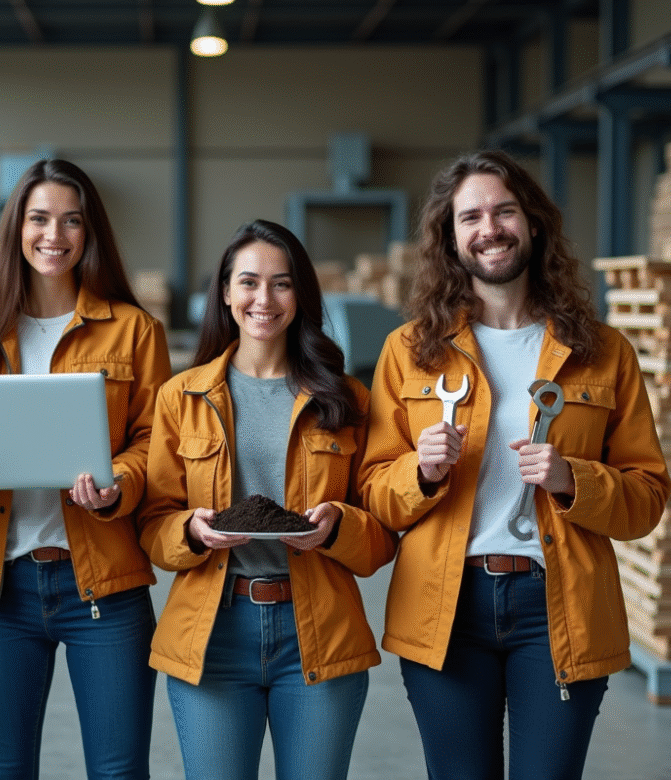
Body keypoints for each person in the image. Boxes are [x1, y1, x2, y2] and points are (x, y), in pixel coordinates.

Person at [358, 150, 671, 780]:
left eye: (504, 210)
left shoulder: (602, 352)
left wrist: (572, 479)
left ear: (532, 222)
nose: (489, 228)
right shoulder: (409, 353)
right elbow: (373, 493)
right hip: (446, 606)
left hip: (559, 606)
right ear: (450, 238)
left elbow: (646, 499)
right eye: (469, 216)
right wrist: (419, 473)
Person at [0, 158, 171, 780]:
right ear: (16, 228)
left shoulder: (136, 332)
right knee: (2, 771)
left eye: (71, 221)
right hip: (0, 589)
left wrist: (119, 482)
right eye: (38, 219)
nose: (53, 235)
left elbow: (157, 446)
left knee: (119, 772)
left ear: (90, 233)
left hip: (105, 589)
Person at [139, 219, 398, 780]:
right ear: (227, 293)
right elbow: (154, 525)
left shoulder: (346, 398)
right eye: (249, 282)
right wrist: (193, 531)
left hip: (319, 630)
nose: (264, 299)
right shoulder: (180, 398)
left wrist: (334, 528)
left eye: (281, 283)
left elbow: (380, 537)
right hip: (213, 633)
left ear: (301, 294)